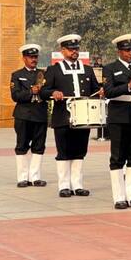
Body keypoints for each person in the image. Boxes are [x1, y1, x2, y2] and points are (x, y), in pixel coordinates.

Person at [41, 34, 102, 198]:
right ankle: (64, 185)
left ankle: (77, 185)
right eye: (71, 49)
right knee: (64, 151)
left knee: (80, 151)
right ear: (63, 50)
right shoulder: (54, 70)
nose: (74, 51)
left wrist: (100, 93)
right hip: (63, 117)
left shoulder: (87, 70)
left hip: (84, 117)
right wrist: (53, 92)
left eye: (76, 49)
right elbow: (43, 91)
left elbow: (95, 90)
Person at [103, 34, 131, 210]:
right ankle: (119, 196)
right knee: (118, 157)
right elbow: (108, 91)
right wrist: (129, 85)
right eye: (128, 50)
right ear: (120, 51)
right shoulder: (111, 68)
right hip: (120, 116)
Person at [10, 44, 49, 187]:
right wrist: (30, 92)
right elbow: (15, 96)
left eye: (35, 57)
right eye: (30, 57)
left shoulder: (44, 74)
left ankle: (35, 176)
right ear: (24, 58)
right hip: (23, 115)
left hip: (40, 114)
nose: (33, 59)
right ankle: (22, 177)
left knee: (39, 146)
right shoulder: (17, 75)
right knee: (22, 146)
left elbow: (48, 93)